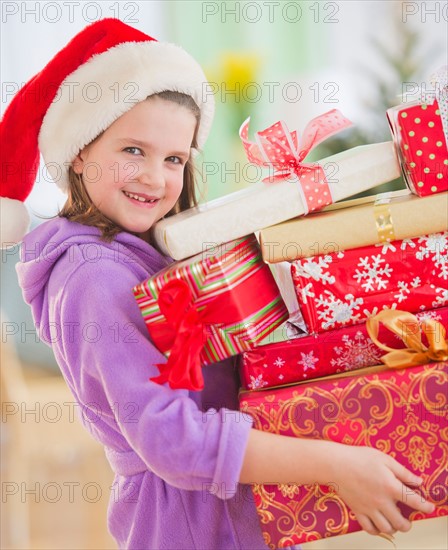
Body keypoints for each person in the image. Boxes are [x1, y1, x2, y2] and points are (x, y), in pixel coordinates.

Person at [2, 18, 435, 550]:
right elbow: (173, 439)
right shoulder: (95, 278)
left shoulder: (141, 251)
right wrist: (339, 465)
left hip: (227, 515)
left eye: (174, 159)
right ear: (79, 152)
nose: (156, 178)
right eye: (132, 151)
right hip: (190, 527)